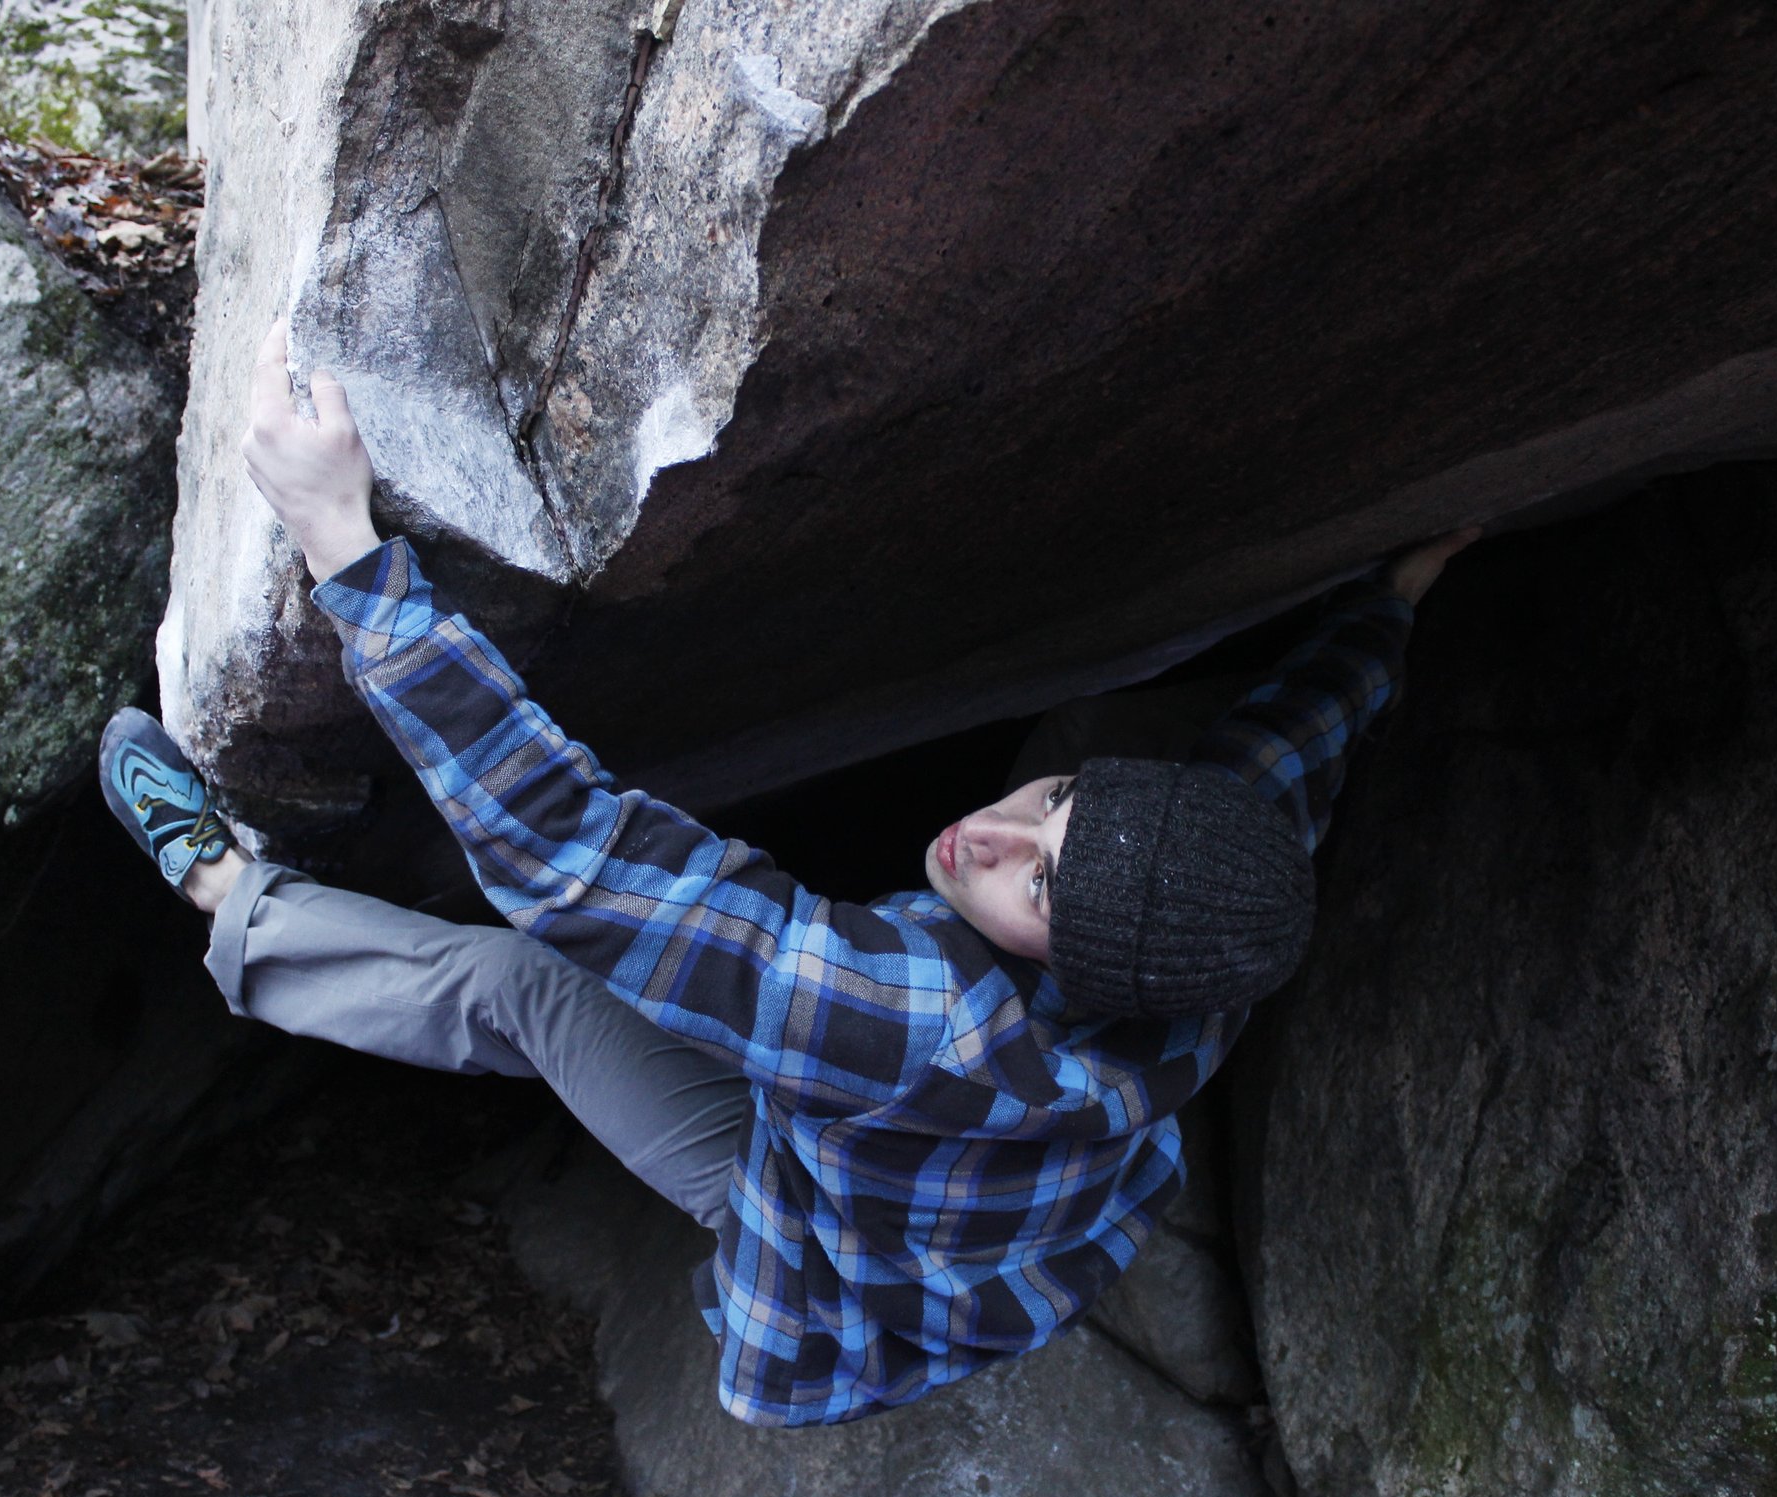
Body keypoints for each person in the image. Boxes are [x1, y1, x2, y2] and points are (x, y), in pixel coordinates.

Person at [102, 319, 1475, 1427]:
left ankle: (227, 899)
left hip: (818, 1241)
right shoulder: (1210, 930)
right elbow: (1288, 759)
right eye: (1057, 804)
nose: (988, 839)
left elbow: (577, 858)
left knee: (529, 978)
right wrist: (1395, 601)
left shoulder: (909, 1020)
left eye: (1035, 888)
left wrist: (343, 544)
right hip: (1003, 1227)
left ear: (1083, 958)